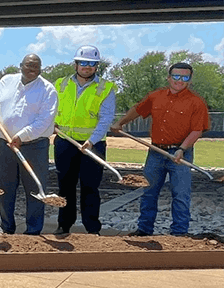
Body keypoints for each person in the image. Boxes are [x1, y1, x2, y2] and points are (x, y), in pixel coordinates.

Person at [111, 62, 209, 236]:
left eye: (185, 77)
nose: (180, 80)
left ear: (190, 79)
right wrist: (120, 123)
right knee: (148, 191)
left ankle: (179, 234)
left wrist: (182, 148)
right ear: (169, 78)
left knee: (181, 194)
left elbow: (197, 130)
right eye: (176, 76)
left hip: (181, 154)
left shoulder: (196, 102)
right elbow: (138, 110)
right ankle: (144, 230)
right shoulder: (156, 96)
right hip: (155, 152)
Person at [0, 54, 58, 235]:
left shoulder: (48, 90)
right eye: (29, 65)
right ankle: (6, 227)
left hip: (34, 146)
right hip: (5, 145)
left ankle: (33, 231)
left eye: (37, 66)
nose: (33, 69)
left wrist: (22, 136)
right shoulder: (7, 81)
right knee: (4, 187)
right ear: (21, 66)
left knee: (35, 189)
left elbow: (44, 121)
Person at [53, 45, 116, 235]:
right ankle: (64, 224)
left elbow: (106, 118)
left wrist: (92, 140)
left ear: (97, 66)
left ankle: (92, 228)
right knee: (65, 186)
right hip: (65, 142)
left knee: (90, 187)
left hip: (93, 145)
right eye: (83, 63)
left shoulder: (105, 88)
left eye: (92, 63)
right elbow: (50, 109)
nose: (87, 67)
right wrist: (51, 124)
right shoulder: (60, 84)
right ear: (76, 64)